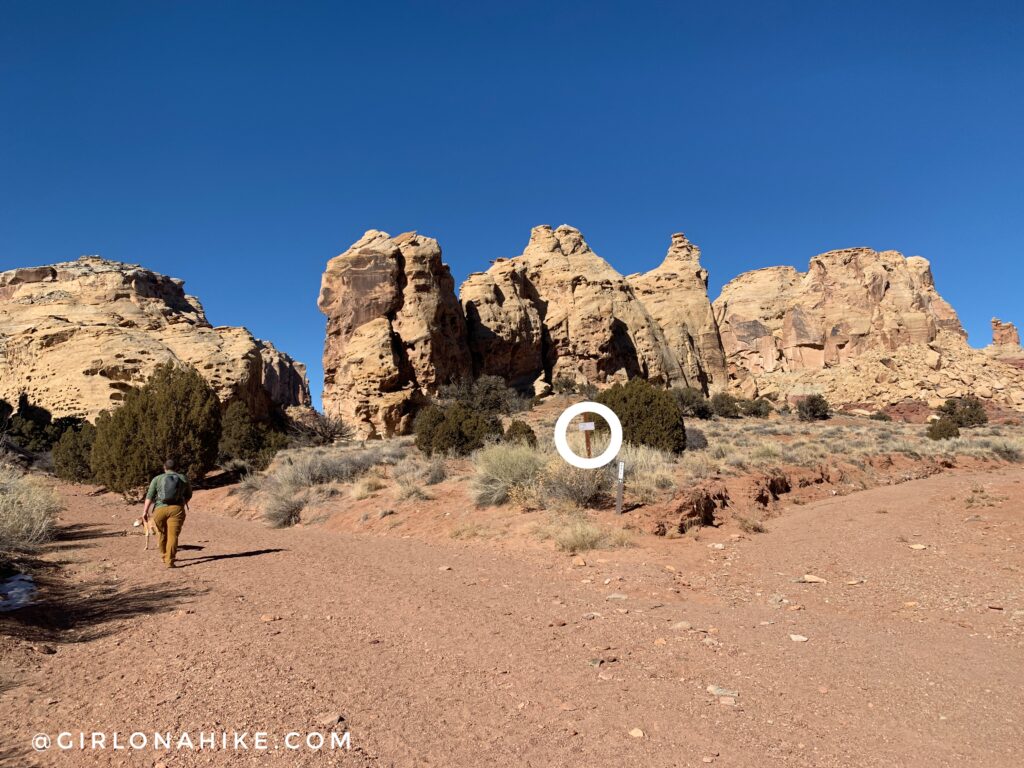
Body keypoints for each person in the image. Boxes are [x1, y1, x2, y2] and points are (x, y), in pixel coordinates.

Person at [142, 459, 192, 568]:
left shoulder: (157, 479)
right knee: (173, 536)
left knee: (161, 533)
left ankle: (164, 555)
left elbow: (149, 496)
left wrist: (145, 511)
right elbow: (189, 495)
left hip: (159, 510)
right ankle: (170, 561)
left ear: (164, 467)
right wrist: (182, 505)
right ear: (176, 468)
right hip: (177, 509)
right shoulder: (183, 478)